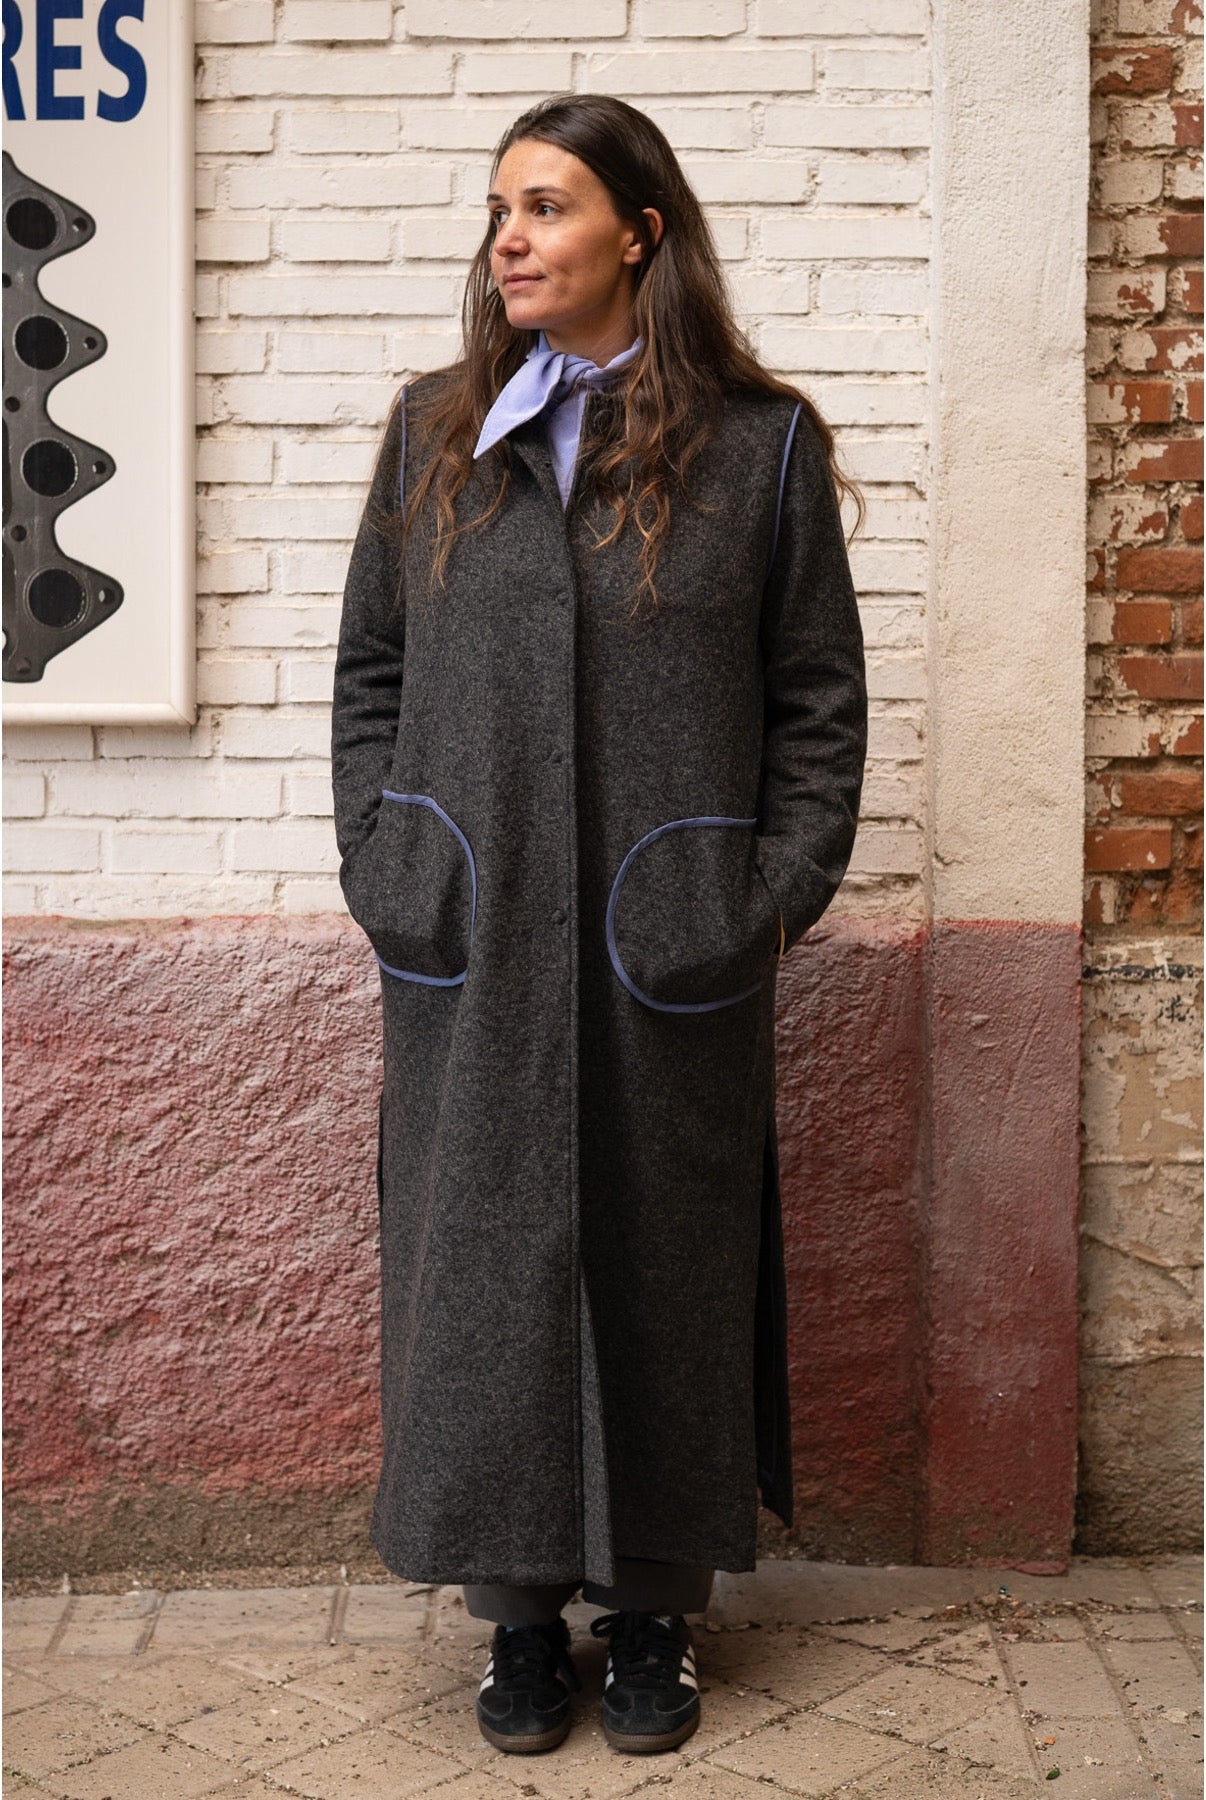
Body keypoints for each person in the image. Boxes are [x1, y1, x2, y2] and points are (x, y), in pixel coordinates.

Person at [330, 92, 867, 1759]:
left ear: (638, 232)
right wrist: (386, 864)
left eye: (546, 206)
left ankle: (650, 1615)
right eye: (499, 207)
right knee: (480, 1271)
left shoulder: (756, 447)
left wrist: (763, 902)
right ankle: (513, 1619)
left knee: (664, 1268)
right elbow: (371, 675)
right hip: (470, 942)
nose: (509, 237)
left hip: (669, 954)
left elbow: (817, 702)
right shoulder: (433, 433)